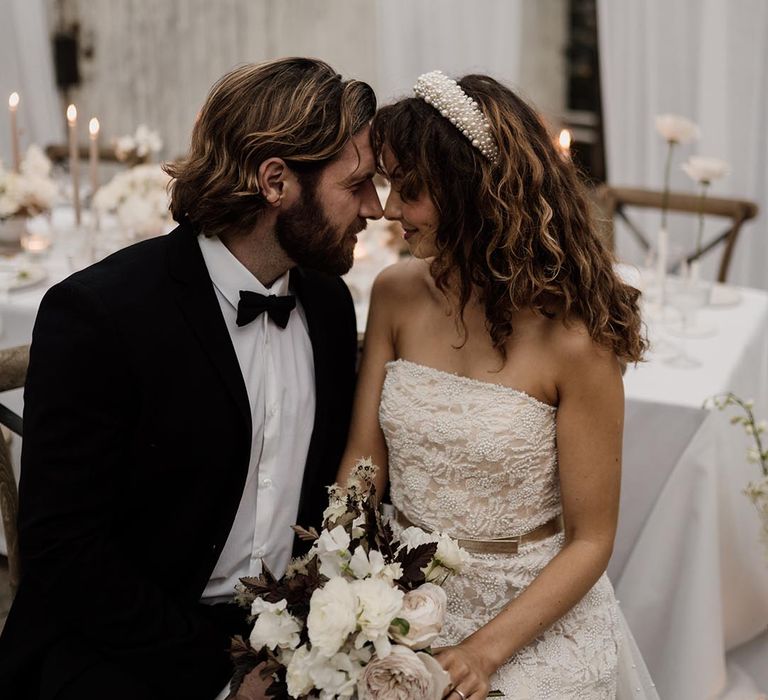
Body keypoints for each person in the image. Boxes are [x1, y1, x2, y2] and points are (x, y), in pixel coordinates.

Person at [0, 57, 382, 700]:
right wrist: (221, 674)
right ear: (275, 181)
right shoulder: (100, 315)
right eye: (358, 185)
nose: (377, 208)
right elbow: (63, 554)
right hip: (122, 646)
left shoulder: (328, 303)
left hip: (291, 638)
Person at [338, 71, 658, 699]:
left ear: (474, 193)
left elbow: (592, 540)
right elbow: (364, 459)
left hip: (529, 615)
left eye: (412, 191)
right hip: (397, 598)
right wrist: (334, 574)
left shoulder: (576, 340)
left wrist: (483, 653)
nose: (391, 210)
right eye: (388, 185)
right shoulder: (396, 294)